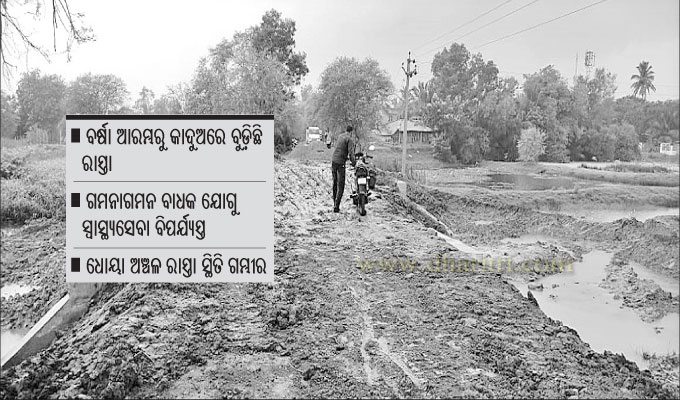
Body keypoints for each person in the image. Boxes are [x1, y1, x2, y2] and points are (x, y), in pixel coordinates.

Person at [331, 125, 356, 213]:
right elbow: (351, 153)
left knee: (335, 183)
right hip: (340, 163)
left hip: (334, 161)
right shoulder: (349, 139)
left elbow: (339, 149)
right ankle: (336, 206)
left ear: (346, 130)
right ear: (351, 132)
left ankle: (334, 203)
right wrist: (354, 163)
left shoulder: (340, 136)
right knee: (341, 185)